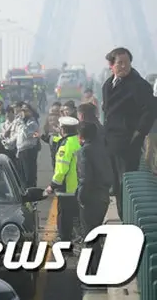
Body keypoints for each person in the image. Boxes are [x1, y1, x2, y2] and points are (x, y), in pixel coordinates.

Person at [102, 47, 156, 219]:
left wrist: (139, 133)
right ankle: (122, 215)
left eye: (127, 63)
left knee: (125, 184)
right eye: (120, 63)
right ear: (111, 65)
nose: (124, 66)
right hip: (110, 142)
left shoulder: (139, 85)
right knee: (115, 186)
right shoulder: (107, 84)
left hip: (128, 143)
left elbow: (150, 110)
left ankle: (128, 220)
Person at [76, 121, 113, 285]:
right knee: (96, 235)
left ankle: (94, 274)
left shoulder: (85, 151)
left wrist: (81, 197)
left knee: (90, 236)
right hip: (103, 195)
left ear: (81, 136)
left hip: (91, 197)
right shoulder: (101, 147)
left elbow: (85, 177)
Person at [45, 116, 80, 244]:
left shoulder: (65, 146)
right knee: (74, 215)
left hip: (66, 187)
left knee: (64, 215)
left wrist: (52, 185)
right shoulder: (77, 141)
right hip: (77, 186)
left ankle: (64, 240)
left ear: (63, 129)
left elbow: (61, 170)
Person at [4, 103, 39, 188]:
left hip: (29, 151)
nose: (23, 113)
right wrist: (8, 142)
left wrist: (21, 123)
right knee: (22, 176)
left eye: (25, 111)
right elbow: (16, 135)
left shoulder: (33, 123)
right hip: (20, 151)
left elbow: (28, 134)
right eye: (22, 110)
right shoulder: (20, 122)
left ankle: (32, 194)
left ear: (30, 112)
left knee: (29, 175)